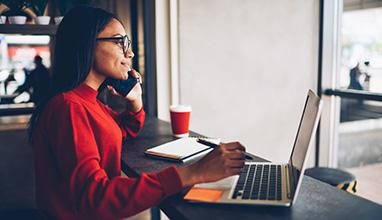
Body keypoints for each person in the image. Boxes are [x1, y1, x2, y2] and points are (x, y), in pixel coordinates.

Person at [29, 6, 246, 220]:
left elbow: (120, 130)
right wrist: (192, 173)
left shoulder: (87, 101)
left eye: (128, 43)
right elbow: (94, 198)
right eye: (119, 41)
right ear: (87, 44)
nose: (129, 52)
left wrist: (135, 100)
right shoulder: (69, 106)